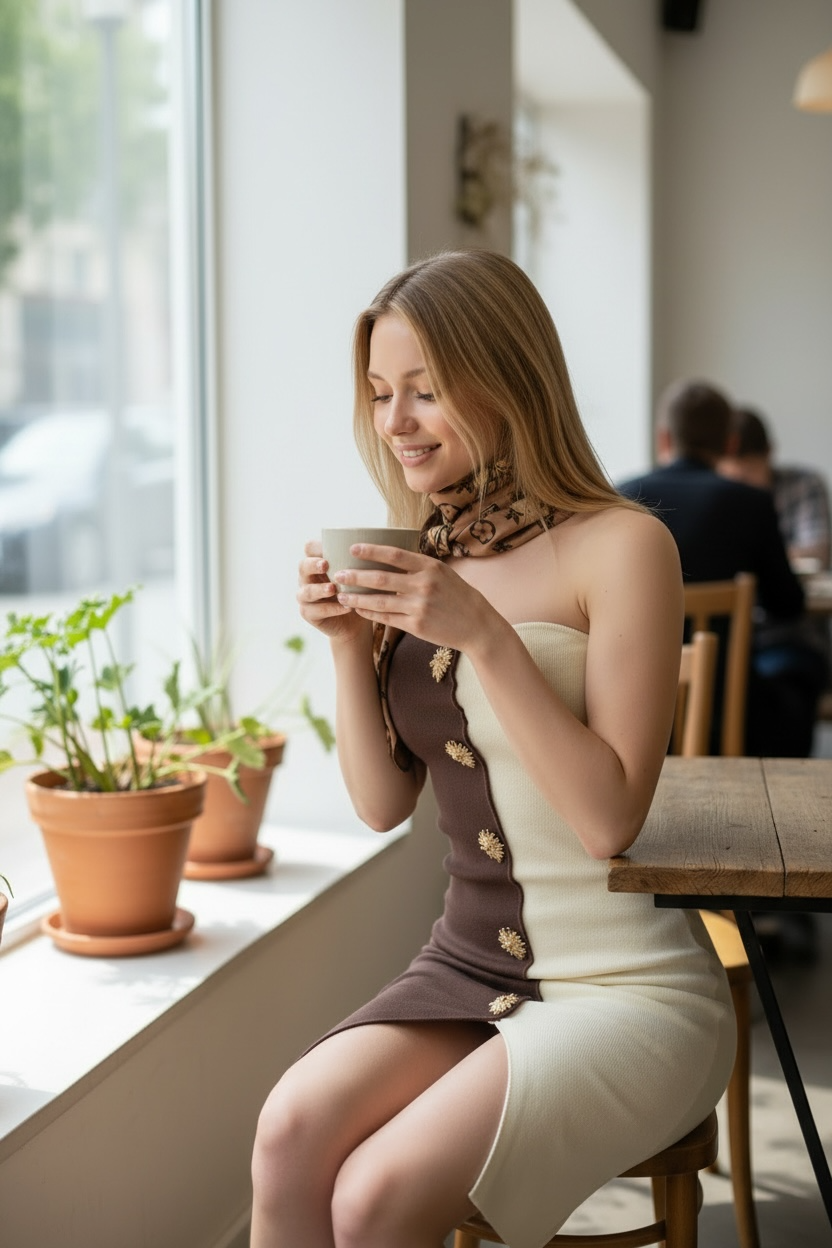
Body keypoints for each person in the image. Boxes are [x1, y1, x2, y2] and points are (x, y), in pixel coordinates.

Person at [250, 251, 735, 1248]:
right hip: (470, 963)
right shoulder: (426, 550)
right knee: (287, 1131)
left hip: (629, 987)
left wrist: (483, 633)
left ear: (507, 376)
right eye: (382, 394)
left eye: (424, 391)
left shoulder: (625, 545)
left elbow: (609, 821)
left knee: (375, 1197)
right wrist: (347, 646)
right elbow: (383, 805)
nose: (395, 422)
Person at [618, 379, 826, 759]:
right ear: (730, 443)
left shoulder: (622, 497)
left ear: (664, 439)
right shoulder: (751, 503)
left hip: (636, 708)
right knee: (804, 668)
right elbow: (787, 604)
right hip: (736, 710)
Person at [717, 405, 832, 571]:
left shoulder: (804, 485)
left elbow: (817, 553)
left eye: (748, 471)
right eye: (731, 476)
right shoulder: (714, 496)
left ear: (768, 452)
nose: (740, 486)